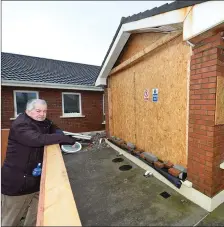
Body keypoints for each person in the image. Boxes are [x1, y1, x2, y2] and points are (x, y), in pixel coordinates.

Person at [1, 99, 76, 226]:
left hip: (35, 180)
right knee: (11, 219)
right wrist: (64, 138)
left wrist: (59, 134)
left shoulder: (43, 122)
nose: (42, 114)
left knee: (36, 217)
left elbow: (53, 127)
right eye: (38, 111)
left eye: (44, 111)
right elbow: (37, 139)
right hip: (17, 182)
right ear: (27, 111)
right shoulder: (20, 125)